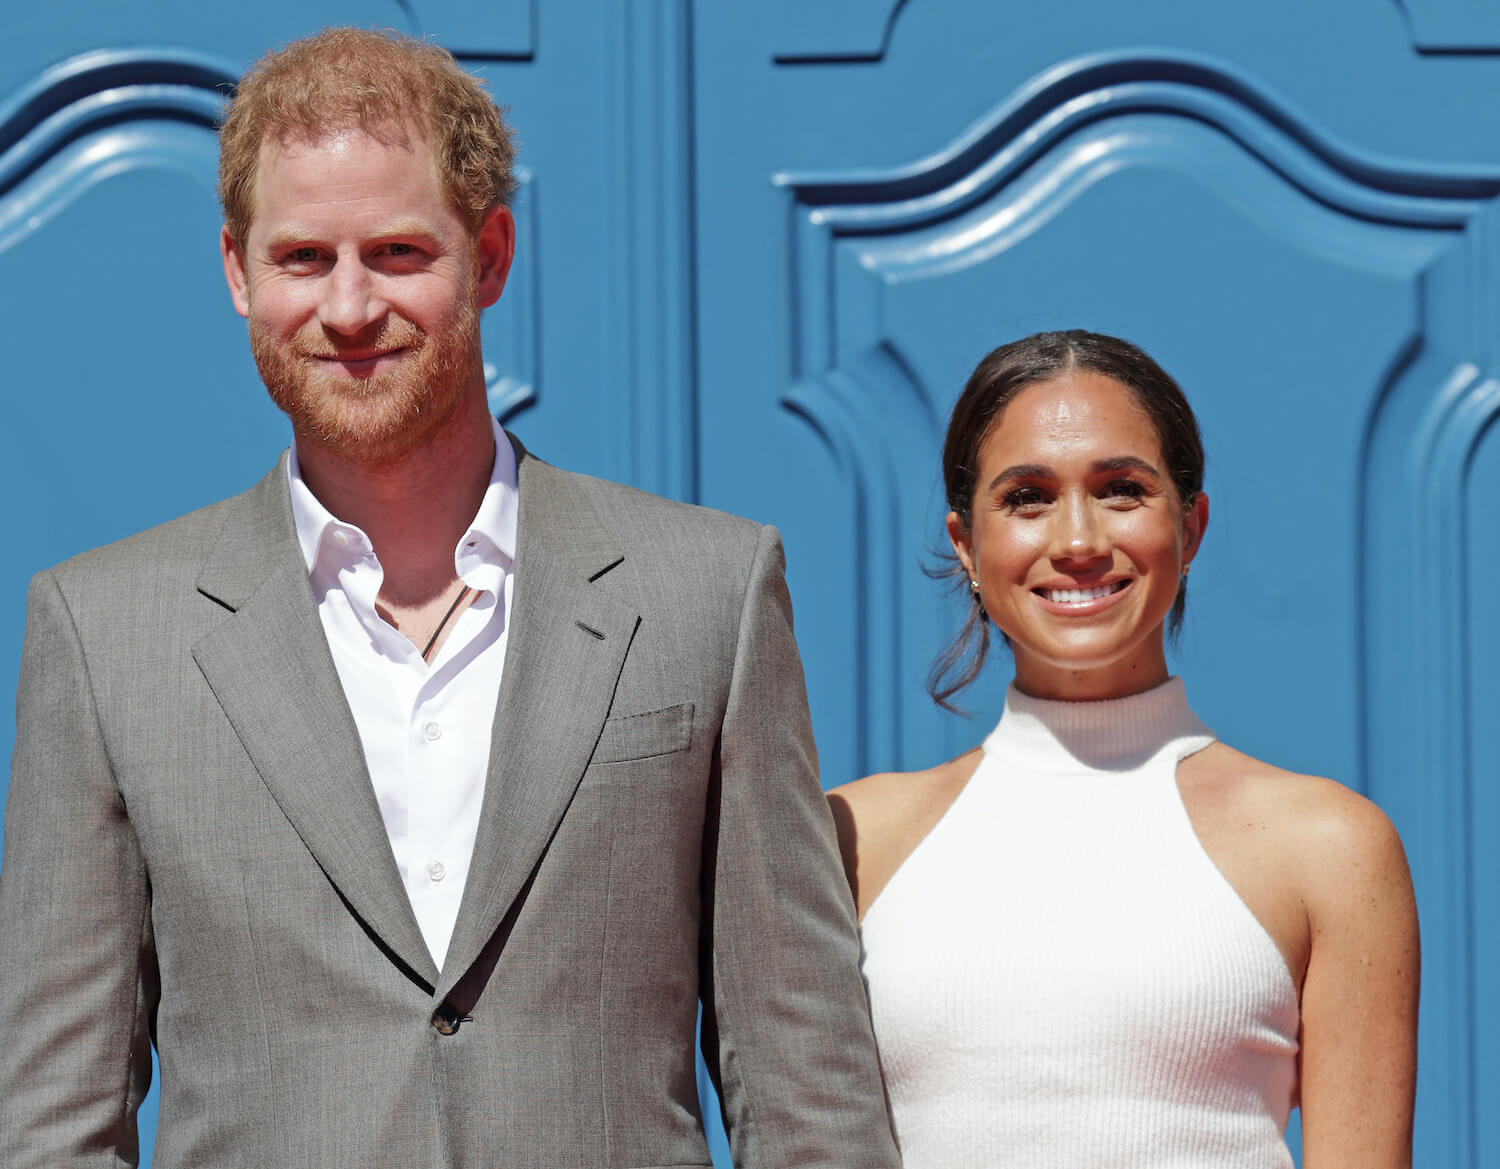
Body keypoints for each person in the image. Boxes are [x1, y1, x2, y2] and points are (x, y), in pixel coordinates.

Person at [0, 28, 900, 1169]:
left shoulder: (704, 595)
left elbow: (804, 1078)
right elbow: (50, 1119)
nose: (350, 306)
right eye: (302, 259)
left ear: (491, 252)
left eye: (398, 250)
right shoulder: (105, 633)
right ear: (237, 270)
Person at [829, 330, 1419, 1168]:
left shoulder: (1331, 846)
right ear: (966, 544)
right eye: (1028, 497)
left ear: (1192, 523)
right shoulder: (852, 837)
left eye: (1121, 490)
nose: (1077, 538)